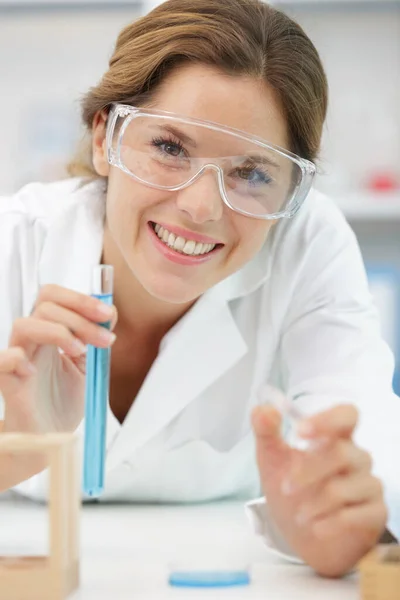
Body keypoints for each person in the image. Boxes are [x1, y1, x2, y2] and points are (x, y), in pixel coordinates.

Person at [0, 0, 399, 578]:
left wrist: (332, 517)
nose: (200, 207)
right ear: (104, 139)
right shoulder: (14, 243)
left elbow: (368, 440)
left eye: (252, 173)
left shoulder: (305, 245)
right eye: (168, 148)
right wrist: (13, 447)